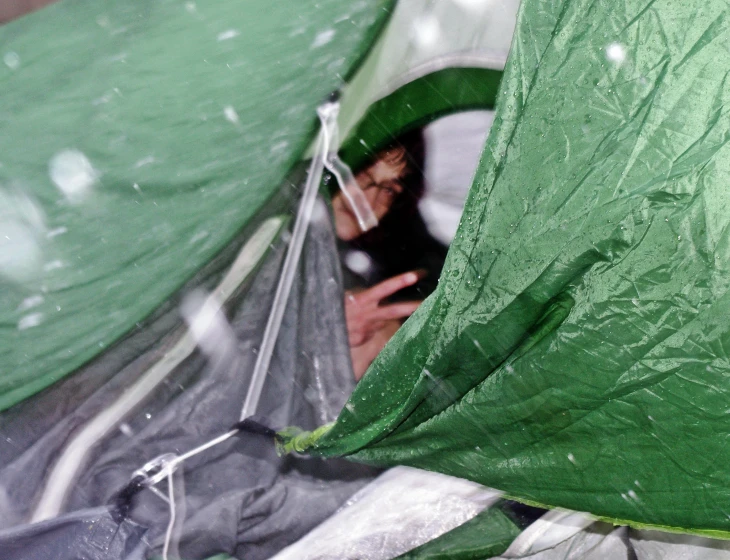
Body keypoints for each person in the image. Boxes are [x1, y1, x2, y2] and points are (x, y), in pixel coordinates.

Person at [331, 130, 448, 379]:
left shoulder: (394, 231)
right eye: (361, 177)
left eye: (388, 189)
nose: (368, 202)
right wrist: (326, 318)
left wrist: (392, 320)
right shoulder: (282, 224)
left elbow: (443, 275)